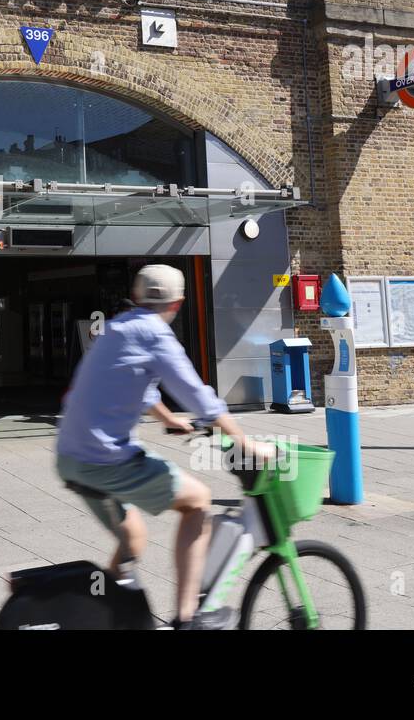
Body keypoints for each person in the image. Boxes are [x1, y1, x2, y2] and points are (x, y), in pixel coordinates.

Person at [56, 264, 275, 630]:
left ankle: (96, 616)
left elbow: (138, 383)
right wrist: (245, 441)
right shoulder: (156, 334)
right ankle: (188, 618)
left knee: (133, 539)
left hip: (70, 458)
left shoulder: (118, 327)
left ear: (139, 295)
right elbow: (197, 394)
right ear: (178, 303)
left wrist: (167, 419)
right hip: (105, 459)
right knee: (198, 502)